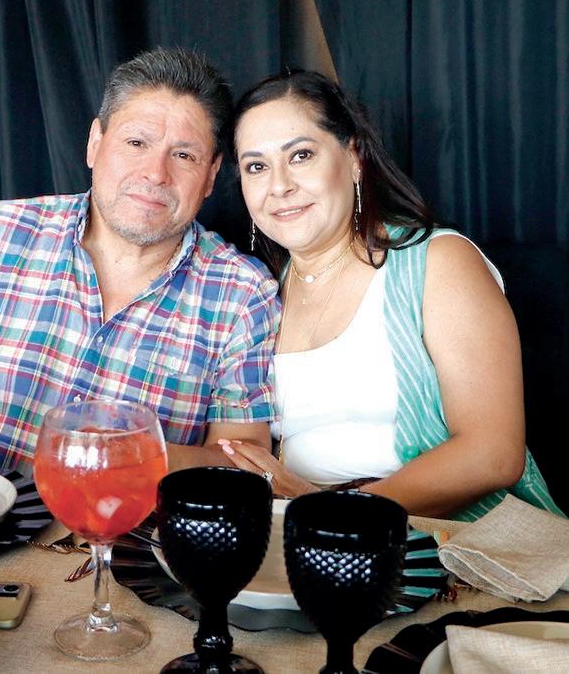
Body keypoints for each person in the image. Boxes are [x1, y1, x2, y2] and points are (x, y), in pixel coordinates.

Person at [0, 48, 280, 474]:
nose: (156, 173)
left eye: (184, 156)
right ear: (95, 143)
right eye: (136, 143)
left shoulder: (243, 293)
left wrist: (135, 455)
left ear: (211, 174)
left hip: (125, 519)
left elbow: (243, 458)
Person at [218, 69, 563, 521]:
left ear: (354, 159)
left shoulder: (437, 261)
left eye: (300, 155)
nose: (279, 185)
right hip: (303, 537)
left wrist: (329, 510)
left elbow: (493, 455)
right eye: (256, 166)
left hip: (437, 538)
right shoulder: (259, 294)